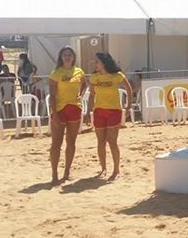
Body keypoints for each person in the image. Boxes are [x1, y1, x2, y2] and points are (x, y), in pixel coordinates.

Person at [87, 52, 132, 181]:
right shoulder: (94, 77)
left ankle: (116, 170)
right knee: (100, 142)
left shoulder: (116, 76)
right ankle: (103, 168)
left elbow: (128, 88)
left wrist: (128, 106)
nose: (95, 64)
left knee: (112, 141)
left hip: (114, 111)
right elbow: (91, 96)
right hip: (99, 111)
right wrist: (87, 112)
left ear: (103, 63)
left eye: (97, 62)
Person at [48, 46, 87, 185]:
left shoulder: (79, 72)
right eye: (65, 55)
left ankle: (67, 172)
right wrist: (54, 114)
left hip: (74, 109)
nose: (67, 57)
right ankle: (54, 173)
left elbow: (85, 84)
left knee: (71, 142)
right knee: (56, 144)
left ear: (73, 57)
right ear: (61, 57)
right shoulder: (55, 73)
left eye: (69, 54)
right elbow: (52, 95)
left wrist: (80, 96)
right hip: (59, 109)